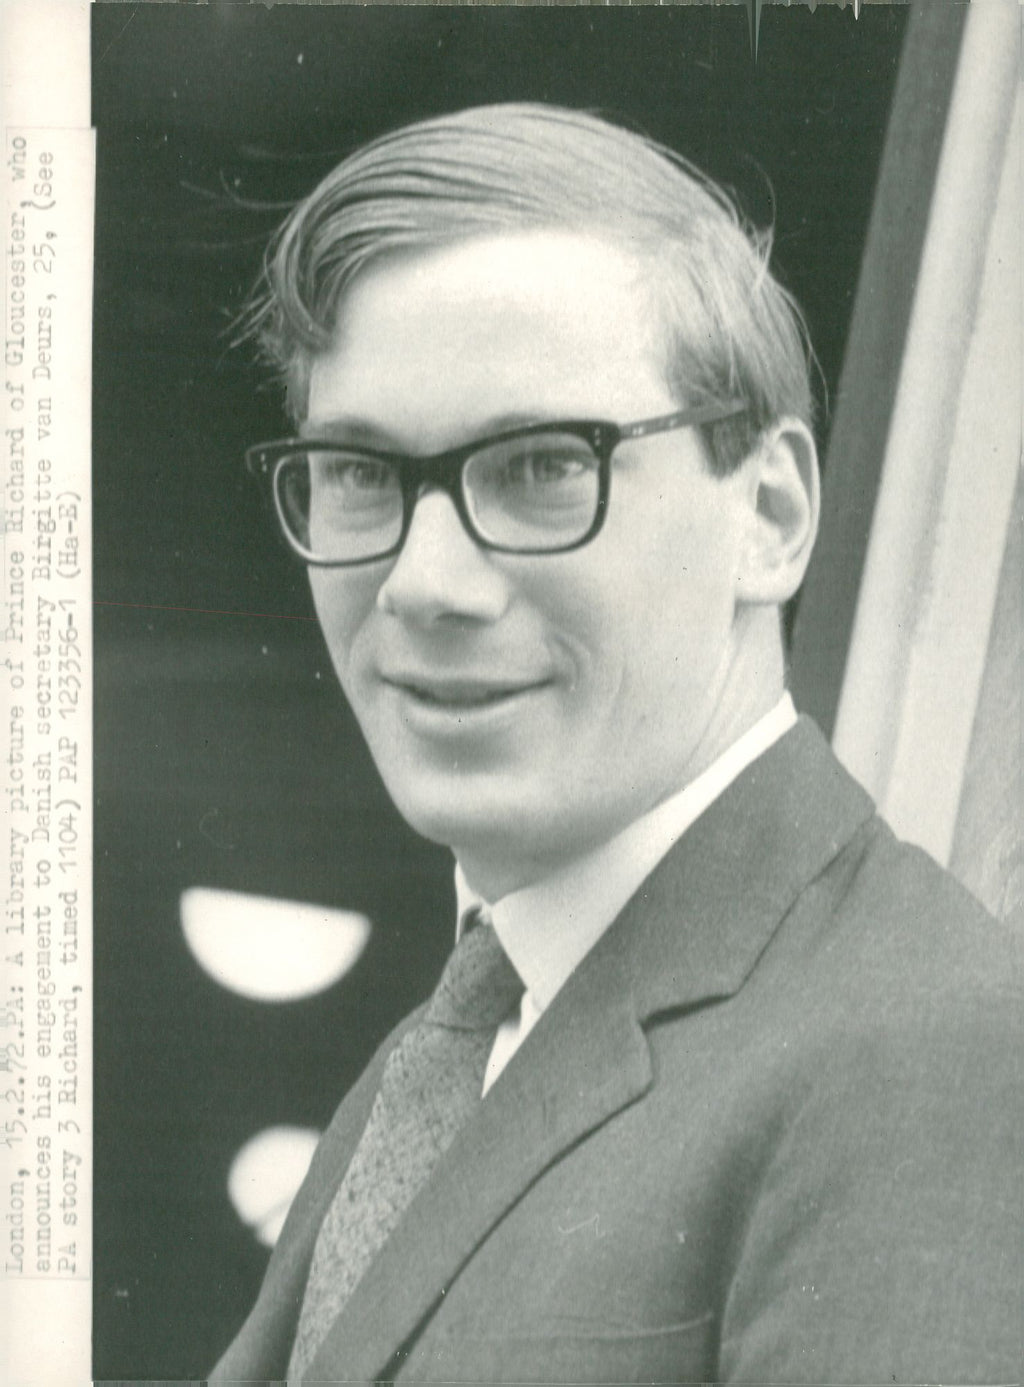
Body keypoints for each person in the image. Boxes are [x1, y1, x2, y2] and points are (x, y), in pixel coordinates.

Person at [210, 104, 1020, 1383]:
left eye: (541, 468)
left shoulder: (935, 1056)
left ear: (770, 514)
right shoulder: (456, 1044)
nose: (424, 584)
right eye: (360, 474)